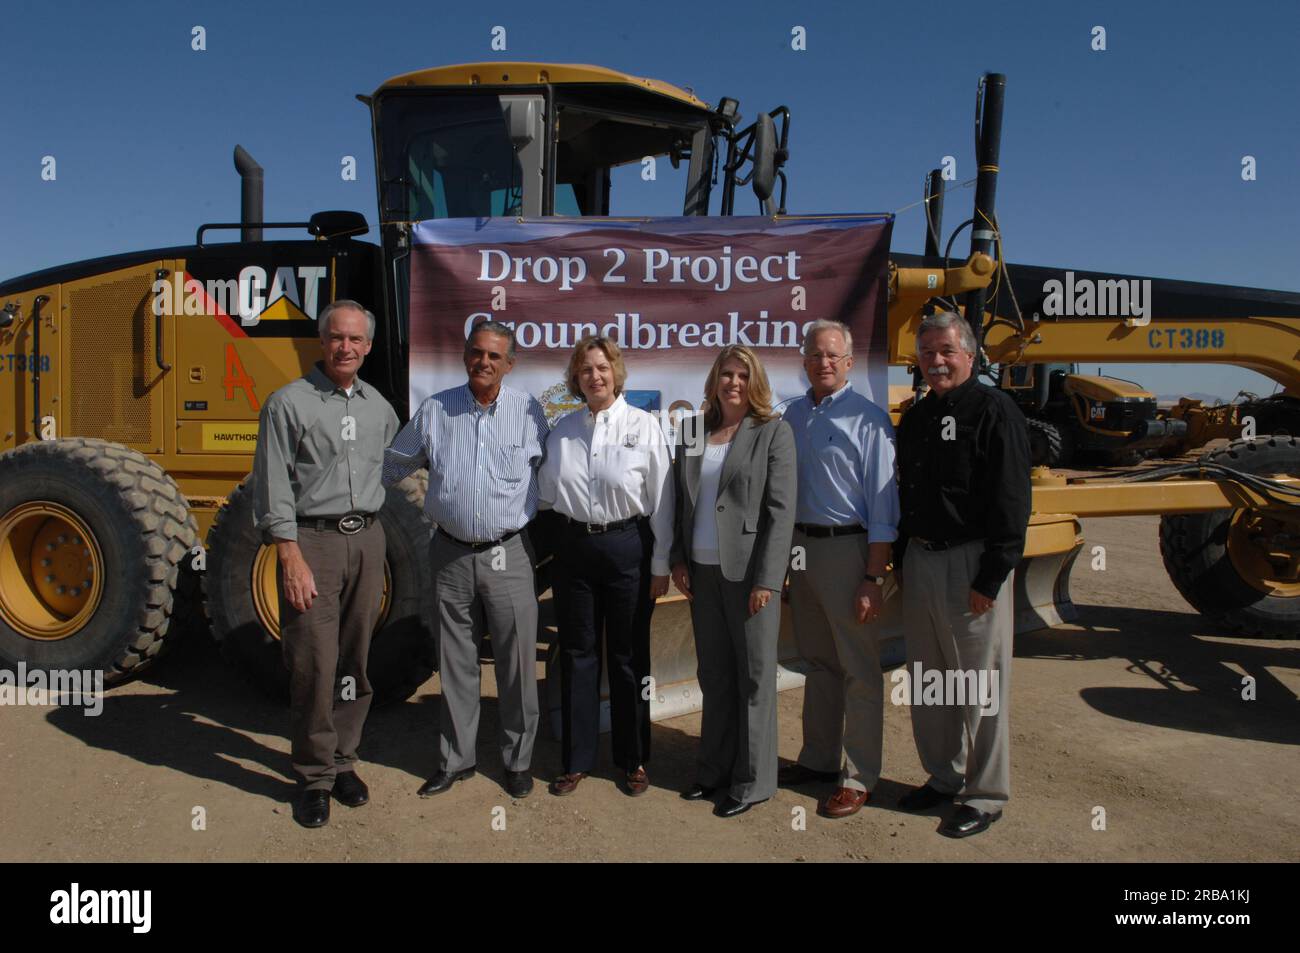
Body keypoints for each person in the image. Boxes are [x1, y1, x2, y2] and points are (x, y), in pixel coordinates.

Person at [383, 321, 549, 800]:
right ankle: (457, 760)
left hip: (509, 554)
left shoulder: (530, 413)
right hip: (450, 553)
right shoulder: (434, 410)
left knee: (517, 665)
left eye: (495, 356)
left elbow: (549, 471)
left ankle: (517, 761)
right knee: (456, 663)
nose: (484, 362)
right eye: (477, 352)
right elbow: (394, 464)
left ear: (510, 364)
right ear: (463, 355)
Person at [252, 299, 399, 829]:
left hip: (368, 540)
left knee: (355, 661)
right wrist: (288, 554)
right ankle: (313, 776)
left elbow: (395, 472)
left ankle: (343, 761)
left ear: (368, 346)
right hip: (311, 544)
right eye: (338, 337)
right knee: (315, 663)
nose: (347, 347)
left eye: (357, 340)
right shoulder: (287, 404)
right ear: (322, 341)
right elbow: (272, 485)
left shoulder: (379, 408)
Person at [894, 310, 1030, 838]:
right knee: (931, 682)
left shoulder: (996, 411)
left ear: (970, 355)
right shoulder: (920, 416)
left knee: (980, 686)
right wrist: (903, 557)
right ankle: (944, 777)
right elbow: (907, 491)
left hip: (971, 563)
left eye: (947, 351)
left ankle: (987, 794)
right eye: (927, 353)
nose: (937, 361)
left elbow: (1013, 500)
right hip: (921, 561)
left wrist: (990, 577)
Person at [537, 337, 673, 797]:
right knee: (577, 655)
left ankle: (633, 759)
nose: (594, 376)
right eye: (585, 369)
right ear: (575, 379)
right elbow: (547, 496)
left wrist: (659, 564)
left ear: (616, 372)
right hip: (574, 551)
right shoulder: (562, 432)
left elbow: (662, 502)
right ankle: (575, 761)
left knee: (628, 657)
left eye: (602, 367)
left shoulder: (644, 426)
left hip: (627, 548)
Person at [780, 318, 899, 819]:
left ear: (849, 362)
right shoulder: (790, 415)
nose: (823, 362)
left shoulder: (870, 419)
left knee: (858, 669)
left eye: (833, 355)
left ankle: (858, 775)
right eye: (815, 354)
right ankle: (819, 758)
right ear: (803, 360)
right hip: (801, 550)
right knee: (819, 662)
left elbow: (883, 505)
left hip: (847, 552)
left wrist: (872, 578)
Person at [670, 345, 796, 818]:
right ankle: (713, 772)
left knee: (754, 679)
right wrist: (679, 558)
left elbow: (780, 514)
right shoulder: (694, 431)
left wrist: (769, 577)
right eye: (726, 374)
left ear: (755, 381)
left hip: (749, 577)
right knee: (715, 677)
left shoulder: (772, 433)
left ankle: (753, 782)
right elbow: (683, 502)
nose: (734, 383)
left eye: (743, 375)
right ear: (714, 379)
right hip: (702, 574)